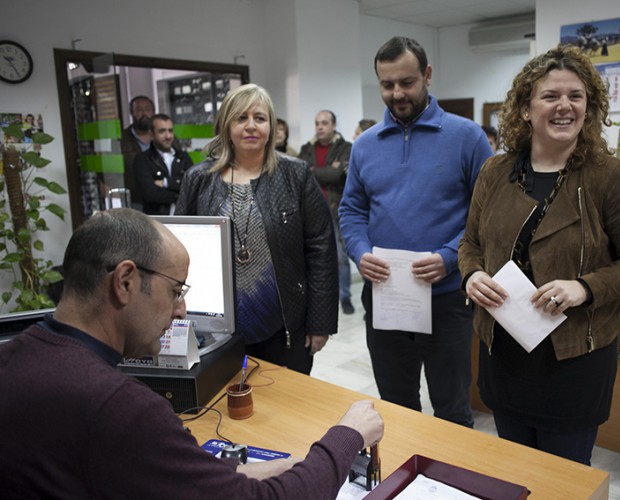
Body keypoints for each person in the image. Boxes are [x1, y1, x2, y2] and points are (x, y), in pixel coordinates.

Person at [0, 208, 384, 498]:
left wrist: (241, 472)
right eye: (176, 291)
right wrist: (346, 436)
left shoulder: (16, 358)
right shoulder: (119, 409)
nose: (182, 311)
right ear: (126, 282)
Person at [458, 44, 620, 465]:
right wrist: (471, 276)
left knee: (564, 480)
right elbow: (470, 244)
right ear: (526, 109)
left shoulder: (609, 176)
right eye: (550, 96)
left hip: (575, 359)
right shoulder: (495, 173)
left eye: (576, 96)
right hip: (505, 352)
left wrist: (584, 288)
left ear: (589, 108)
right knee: (516, 471)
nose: (564, 106)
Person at [339, 36, 494, 428]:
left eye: (406, 82)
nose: (396, 93)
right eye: (387, 84)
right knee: (394, 406)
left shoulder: (467, 137)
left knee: (452, 410)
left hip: (446, 301)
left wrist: (449, 256)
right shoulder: (365, 146)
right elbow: (352, 209)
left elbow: (489, 215)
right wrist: (359, 252)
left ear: (427, 75)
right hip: (386, 298)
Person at [175, 84, 338, 375]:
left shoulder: (296, 175)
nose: (251, 126)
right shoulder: (198, 179)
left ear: (272, 126)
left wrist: (320, 323)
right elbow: (178, 251)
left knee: (286, 407)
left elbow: (321, 250)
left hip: (284, 325)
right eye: (241, 118)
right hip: (216, 329)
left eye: (260, 118)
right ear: (226, 125)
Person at [298, 110, 354, 315]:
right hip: (311, 211)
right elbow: (301, 173)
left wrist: (314, 170)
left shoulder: (345, 147)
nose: (320, 127)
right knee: (312, 257)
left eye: (324, 123)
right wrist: (325, 170)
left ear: (334, 125)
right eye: (317, 123)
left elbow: (339, 174)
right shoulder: (307, 148)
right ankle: (318, 297)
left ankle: (345, 297)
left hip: (335, 209)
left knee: (340, 257)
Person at [133, 113, 193, 215]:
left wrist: (166, 183)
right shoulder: (142, 160)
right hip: (157, 221)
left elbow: (192, 187)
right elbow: (150, 194)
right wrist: (180, 195)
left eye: (170, 130)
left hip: (185, 218)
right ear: (151, 134)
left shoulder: (183, 157)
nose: (168, 136)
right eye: (162, 131)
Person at [121, 95, 156, 209]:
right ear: (132, 113)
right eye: (139, 110)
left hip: (161, 198)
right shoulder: (122, 139)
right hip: (135, 199)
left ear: (153, 112)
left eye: (147, 109)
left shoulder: (165, 136)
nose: (144, 114)